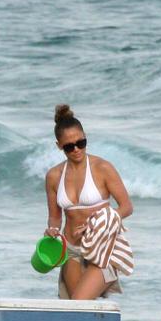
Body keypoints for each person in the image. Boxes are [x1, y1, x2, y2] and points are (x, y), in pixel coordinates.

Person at [43, 104, 133, 300]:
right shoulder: (53, 176)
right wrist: (52, 230)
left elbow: (126, 207)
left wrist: (97, 222)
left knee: (79, 302)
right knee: (75, 312)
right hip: (72, 249)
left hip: (103, 247)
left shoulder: (102, 168)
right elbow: (55, 218)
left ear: (85, 138)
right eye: (69, 146)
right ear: (59, 146)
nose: (76, 149)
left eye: (81, 143)